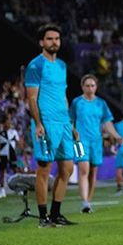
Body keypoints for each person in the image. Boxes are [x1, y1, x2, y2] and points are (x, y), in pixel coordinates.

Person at [26, 24, 81, 227]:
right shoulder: (35, 66)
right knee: (44, 169)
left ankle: (56, 213)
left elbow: (63, 95)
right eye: (49, 39)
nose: (54, 42)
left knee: (66, 168)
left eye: (57, 39)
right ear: (42, 42)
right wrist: (38, 123)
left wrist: (70, 123)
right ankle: (43, 217)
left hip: (63, 123)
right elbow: (31, 98)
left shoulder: (62, 66)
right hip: (47, 122)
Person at [70, 74, 118, 213]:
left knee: (93, 171)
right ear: (82, 87)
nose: (90, 88)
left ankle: (88, 202)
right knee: (83, 168)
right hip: (79, 141)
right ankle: (84, 201)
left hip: (96, 141)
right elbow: (70, 120)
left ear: (96, 87)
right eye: (87, 85)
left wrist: (115, 135)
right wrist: (74, 133)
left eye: (92, 85)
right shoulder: (77, 102)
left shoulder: (101, 103)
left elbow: (107, 122)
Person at [0, 117, 22, 198]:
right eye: (7, 122)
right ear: (4, 124)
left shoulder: (14, 132)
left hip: (12, 154)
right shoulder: (0, 134)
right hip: (3, 154)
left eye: (10, 122)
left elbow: (18, 143)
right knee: (2, 172)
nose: (9, 123)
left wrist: (20, 153)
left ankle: (18, 188)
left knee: (15, 171)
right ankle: (2, 191)